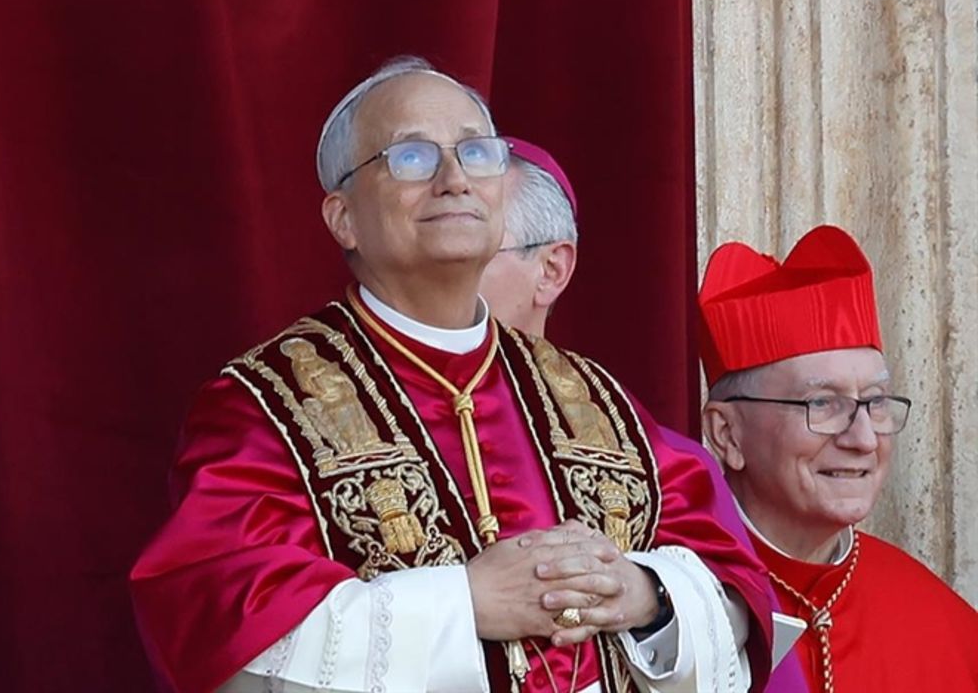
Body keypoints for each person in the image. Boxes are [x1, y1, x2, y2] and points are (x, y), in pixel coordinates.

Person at [131, 56, 775, 693]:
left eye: (476, 153)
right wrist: (463, 604)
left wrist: (643, 594)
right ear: (343, 218)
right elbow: (226, 630)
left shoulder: (592, 396)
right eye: (411, 157)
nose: (454, 179)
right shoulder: (264, 404)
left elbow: (732, 589)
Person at [480, 140, 809, 693]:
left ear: (551, 269)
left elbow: (744, 626)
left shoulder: (653, 456)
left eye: (477, 244)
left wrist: (647, 595)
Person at [697, 225, 978, 692]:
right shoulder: (668, 604)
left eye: (875, 401)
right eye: (822, 403)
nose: (863, 438)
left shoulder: (944, 623)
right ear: (727, 435)